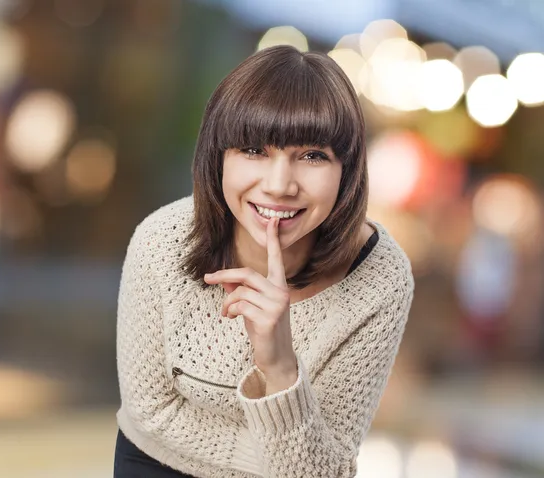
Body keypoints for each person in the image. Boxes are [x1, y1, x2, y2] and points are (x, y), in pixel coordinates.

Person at [114, 45, 414, 478]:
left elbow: (323, 468)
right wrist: (280, 461)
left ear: (347, 169)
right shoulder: (163, 240)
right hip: (156, 464)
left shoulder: (379, 279)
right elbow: (152, 413)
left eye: (312, 156)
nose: (278, 186)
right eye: (254, 149)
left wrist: (279, 366)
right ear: (218, 156)